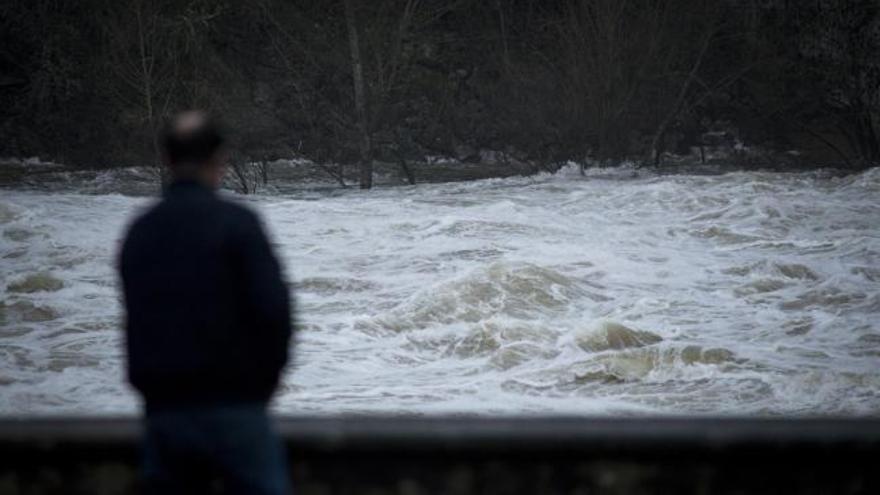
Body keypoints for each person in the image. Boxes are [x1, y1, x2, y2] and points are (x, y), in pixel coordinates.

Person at [118, 111, 293, 494]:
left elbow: (135, 320)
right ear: (220, 160)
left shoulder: (141, 231)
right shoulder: (239, 223)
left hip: (166, 408)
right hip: (236, 403)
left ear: (166, 160)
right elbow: (273, 310)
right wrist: (266, 381)